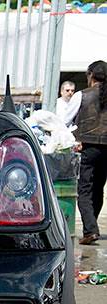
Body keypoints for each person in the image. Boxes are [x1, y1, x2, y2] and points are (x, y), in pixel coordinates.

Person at [75, 60, 107, 245]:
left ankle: (90, 230)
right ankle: (92, 226)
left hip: (89, 147)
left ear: (91, 75)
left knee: (84, 190)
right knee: (98, 189)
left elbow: (65, 120)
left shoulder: (82, 95)